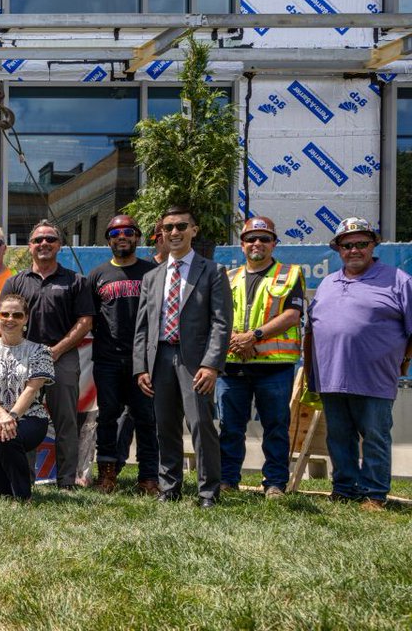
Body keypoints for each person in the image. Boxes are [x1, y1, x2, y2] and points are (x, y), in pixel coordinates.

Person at [306, 218, 412, 511]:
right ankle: (344, 489)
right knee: (339, 437)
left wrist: (404, 359)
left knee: (375, 437)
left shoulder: (399, 280)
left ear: (373, 245)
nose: (354, 250)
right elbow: (312, 329)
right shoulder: (328, 283)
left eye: (361, 244)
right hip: (331, 377)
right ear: (339, 249)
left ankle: (374, 494)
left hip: (375, 378)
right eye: (347, 245)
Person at [133, 206, 230, 508]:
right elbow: (142, 326)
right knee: (165, 426)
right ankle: (170, 487)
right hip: (159, 358)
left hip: (195, 362)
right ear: (161, 234)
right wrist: (140, 368)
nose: (174, 232)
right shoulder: (152, 277)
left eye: (181, 226)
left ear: (194, 230)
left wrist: (211, 364)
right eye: (168, 227)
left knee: (201, 424)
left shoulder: (212, 271)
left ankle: (208, 492)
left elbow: (221, 322)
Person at [0, 220, 94, 490]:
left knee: (66, 421)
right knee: (23, 419)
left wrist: (57, 350)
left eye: (50, 239)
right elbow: (2, 319)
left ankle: (67, 482)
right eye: (38, 240)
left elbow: (85, 322)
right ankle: (24, 480)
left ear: (59, 245)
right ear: (29, 246)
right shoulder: (15, 282)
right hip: (22, 359)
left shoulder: (75, 281)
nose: (44, 244)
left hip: (61, 357)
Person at [221, 216, 304, 499]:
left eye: (264, 238)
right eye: (251, 238)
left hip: (274, 367)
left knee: (276, 428)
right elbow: (218, 315)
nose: (257, 243)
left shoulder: (290, 274)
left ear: (274, 244)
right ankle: (227, 480)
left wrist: (253, 337)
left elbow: (292, 315)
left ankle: (275, 483)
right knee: (230, 428)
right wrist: (236, 340)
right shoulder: (228, 277)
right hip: (233, 364)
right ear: (242, 244)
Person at [88, 214, 159, 495]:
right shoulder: (97, 275)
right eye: (115, 234)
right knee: (107, 417)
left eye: (128, 232)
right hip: (107, 360)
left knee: (146, 419)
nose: (122, 237)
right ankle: (106, 474)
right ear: (108, 240)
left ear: (137, 237)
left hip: (145, 360)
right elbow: (90, 319)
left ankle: (149, 477)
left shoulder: (153, 273)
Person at [0, 293, 54, 501]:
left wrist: (11, 417)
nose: (10, 319)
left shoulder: (41, 351)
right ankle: (10, 489)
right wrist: (1, 415)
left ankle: (23, 497)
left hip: (30, 418)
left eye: (17, 315)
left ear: (26, 319)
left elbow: (31, 390)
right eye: (5, 314)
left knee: (9, 438)